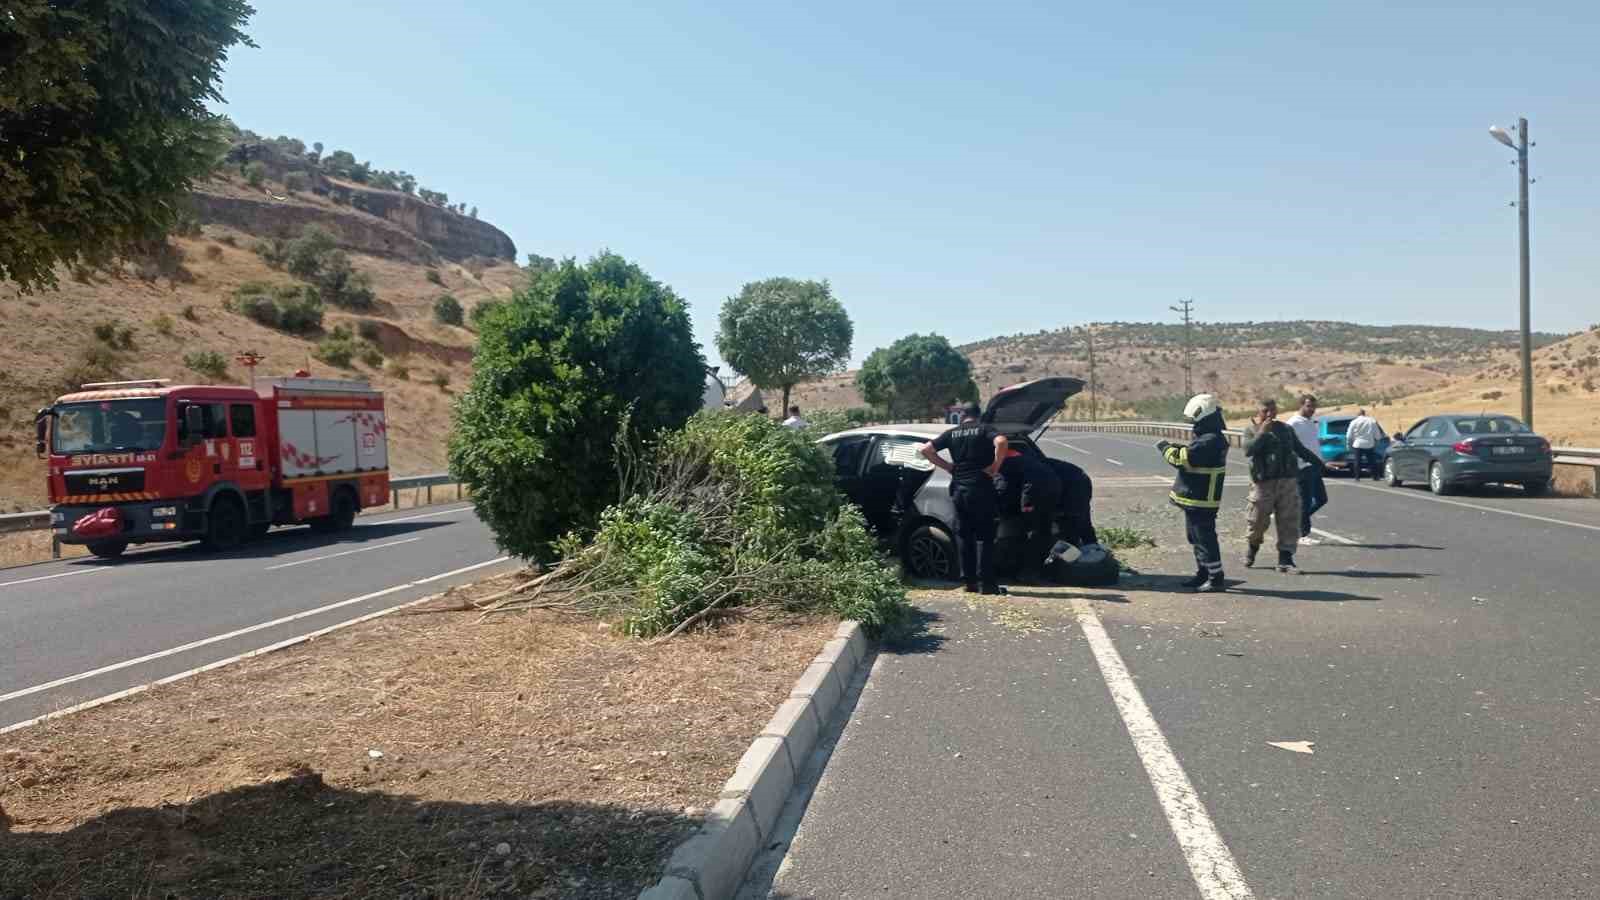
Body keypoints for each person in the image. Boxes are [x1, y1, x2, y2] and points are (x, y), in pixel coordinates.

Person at [920, 403, 1009, 594]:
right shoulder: (985, 429)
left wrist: (948, 466)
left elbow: (926, 450)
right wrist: (995, 466)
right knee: (985, 537)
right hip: (982, 489)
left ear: (962, 416)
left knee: (964, 536)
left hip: (959, 490)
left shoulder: (952, 433)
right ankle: (988, 585)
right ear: (979, 416)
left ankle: (970, 583)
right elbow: (1001, 442)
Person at [1241, 398, 1324, 573]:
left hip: (1287, 482)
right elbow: (1248, 450)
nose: (1270, 414)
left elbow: (1300, 450)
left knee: (1289, 521)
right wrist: (1262, 432)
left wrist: (1320, 464)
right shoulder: (1251, 430)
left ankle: (1285, 559)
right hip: (1263, 484)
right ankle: (1252, 547)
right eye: (1265, 411)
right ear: (1258, 412)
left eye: (1273, 410)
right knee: (1257, 521)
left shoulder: (1286, 430)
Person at [1157, 394, 1230, 593]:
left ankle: (1215, 577)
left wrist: (1165, 448)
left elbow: (1182, 459)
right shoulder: (1210, 438)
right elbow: (1193, 454)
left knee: (1204, 537)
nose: (1192, 425)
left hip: (1201, 498)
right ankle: (1203, 572)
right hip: (1196, 497)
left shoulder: (1210, 440)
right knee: (1195, 537)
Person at [997, 447, 1062, 581]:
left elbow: (1003, 488)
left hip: (1035, 494)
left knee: (1032, 533)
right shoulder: (1026, 459)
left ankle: (1028, 573)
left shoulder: (1004, 464)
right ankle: (1044, 570)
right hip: (1053, 489)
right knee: (1042, 531)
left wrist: (1024, 504)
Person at [1286, 394, 1328, 543]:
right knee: (1305, 501)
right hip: (1302, 468)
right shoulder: (1293, 423)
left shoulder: (1311, 422)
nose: (1312, 409)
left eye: (1314, 407)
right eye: (1309, 406)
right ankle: (1301, 534)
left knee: (1322, 499)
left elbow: (1311, 443)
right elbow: (1288, 445)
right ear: (1301, 405)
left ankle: (1297, 520)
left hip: (1315, 466)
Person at [1048, 458, 1098, 547]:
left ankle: (1090, 548)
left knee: (1076, 521)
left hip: (1072, 485)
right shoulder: (1031, 459)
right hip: (1074, 479)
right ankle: (1090, 546)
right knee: (1080, 520)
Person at [1345, 408, 1385, 482]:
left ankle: (1357, 477)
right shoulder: (1371, 421)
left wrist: (1348, 444)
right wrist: (1377, 441)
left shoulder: (1354, 422)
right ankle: (1375, 476)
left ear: (1357, 414)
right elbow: (1377, 434)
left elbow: (1349, 435)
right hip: (1369, 444)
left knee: (1357, 461)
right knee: (1372, 461)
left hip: (1358, 444)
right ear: (1364, 413)